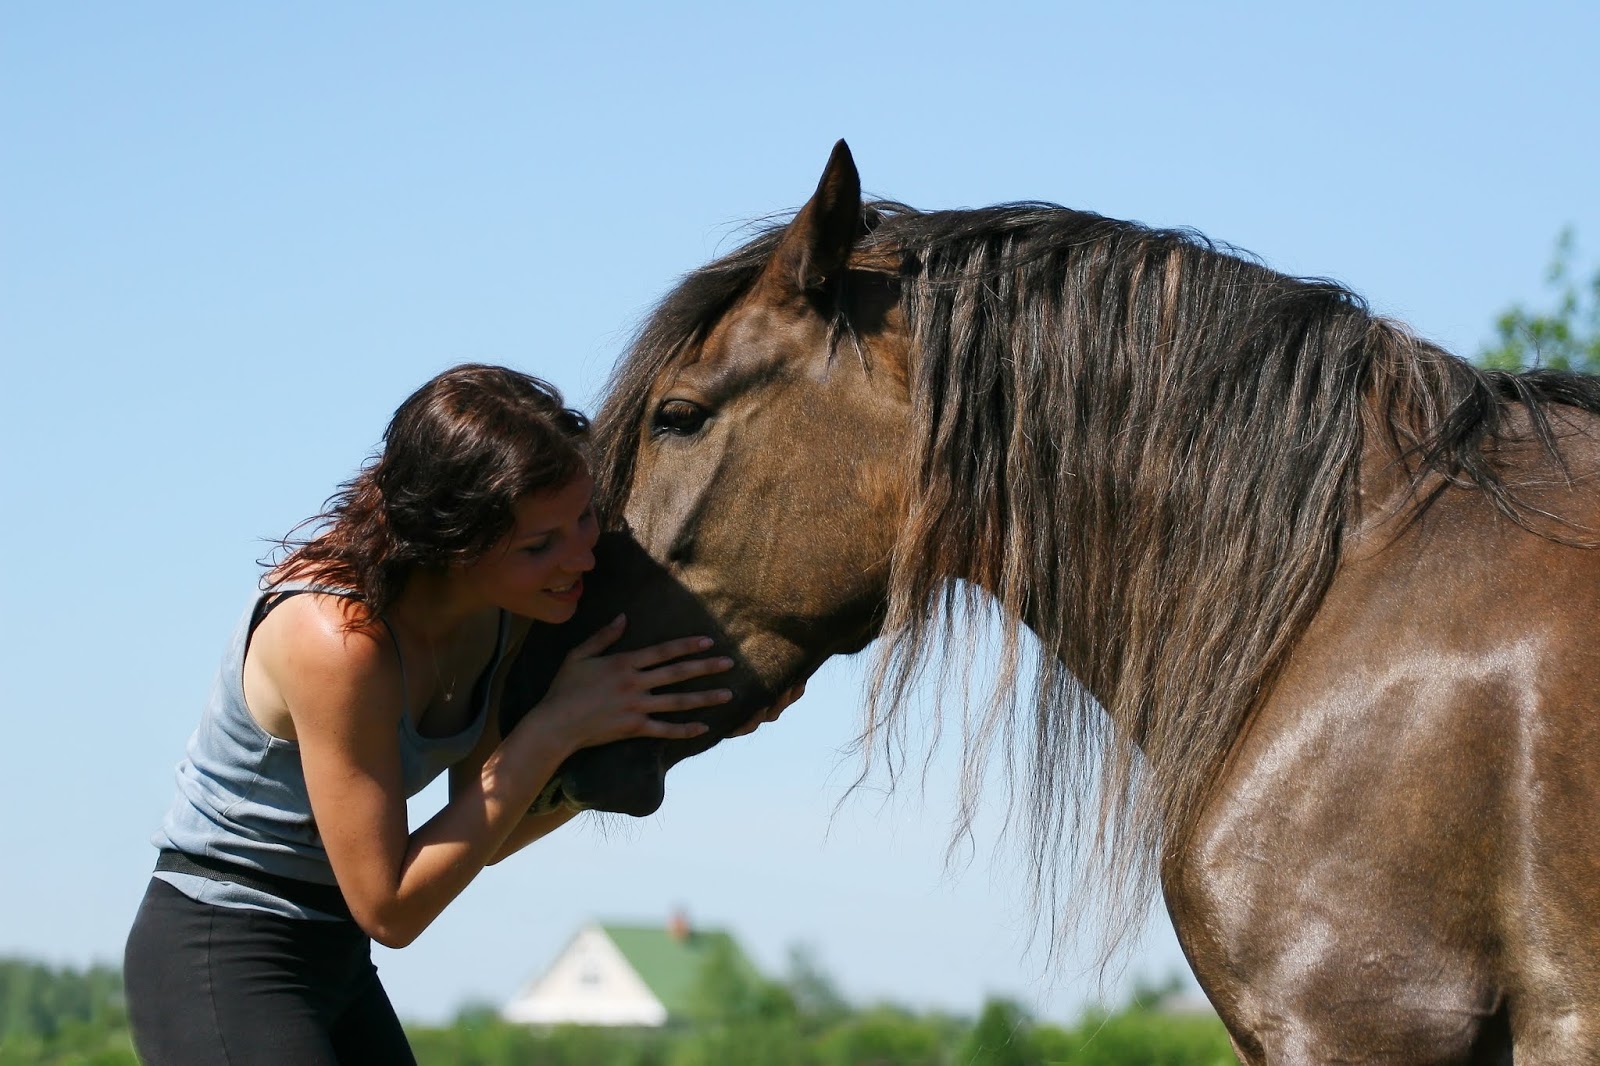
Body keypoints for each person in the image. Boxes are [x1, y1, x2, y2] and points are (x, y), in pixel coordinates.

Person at [123, 364, 795, 1064]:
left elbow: (485, 830)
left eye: (584, 517)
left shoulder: (506, 614)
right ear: (452, 544)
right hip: (220, 948)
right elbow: (391, 908)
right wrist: (557, 726)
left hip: (334, 953)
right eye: (539, 545)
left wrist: (668, 730)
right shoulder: (336, 641)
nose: (582, 556)